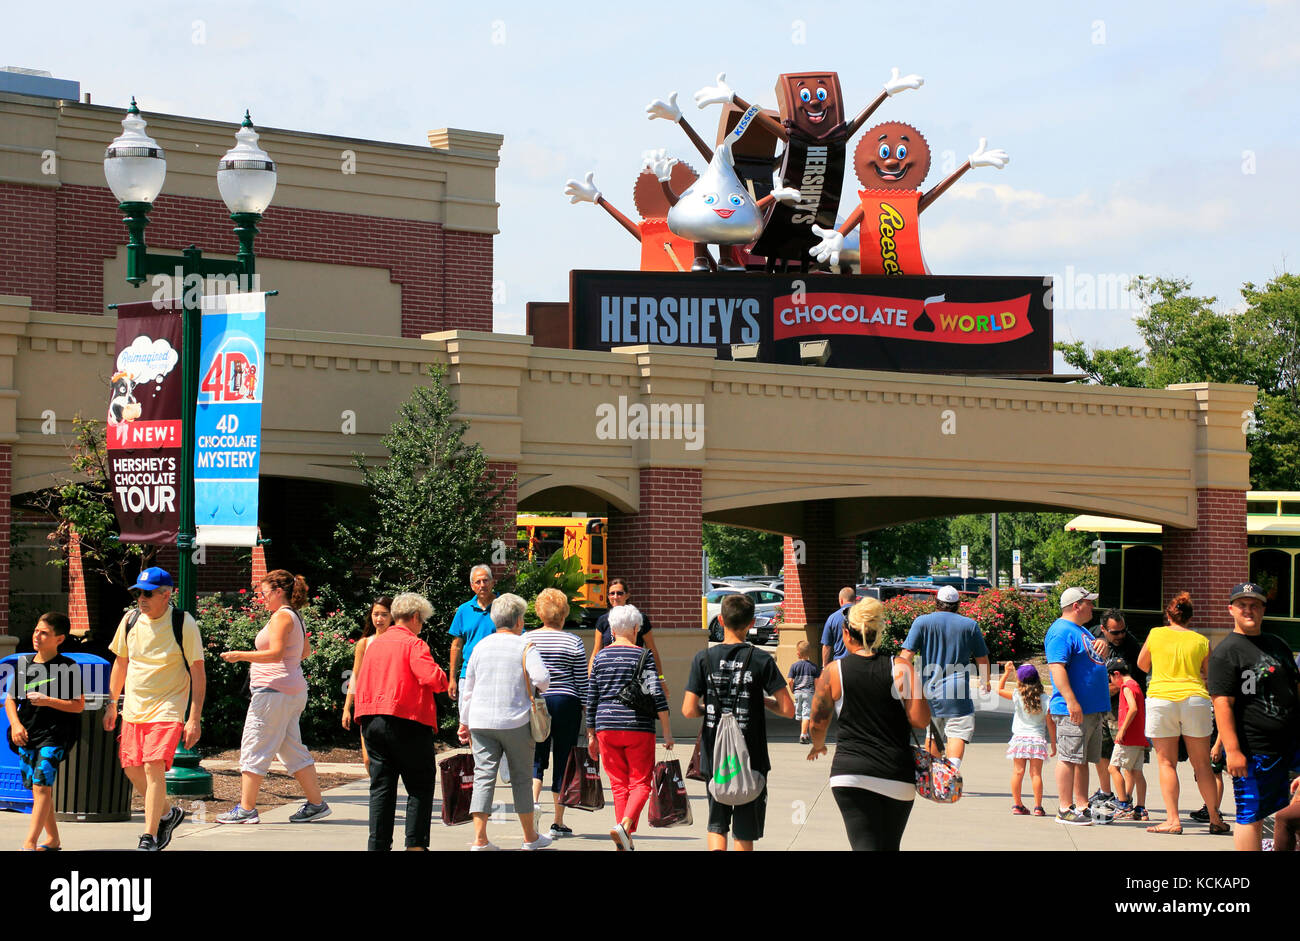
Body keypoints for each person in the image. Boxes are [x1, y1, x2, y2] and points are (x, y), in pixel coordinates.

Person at [807, 597, 928, 851]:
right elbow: (920, 719)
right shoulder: (901, 668)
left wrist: (818, 745)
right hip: (896, 773)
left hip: (850, 773)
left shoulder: (832, 671)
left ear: (846, 633)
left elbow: (818, 721)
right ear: (877, 633)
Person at [104, 567, 205, 851]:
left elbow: (198, 672)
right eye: (138, 593)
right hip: (135, 707)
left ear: (166, 594)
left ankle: (149, 835)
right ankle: (168, 813)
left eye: (147, 593)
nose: (141, 599)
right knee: (132, 769)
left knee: (153, 766)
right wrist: (112, 704)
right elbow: (120, 663)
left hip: (168, 706)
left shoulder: (183, 623)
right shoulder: (130, 620)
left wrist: (194, 717)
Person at [216, 569, 330, 824]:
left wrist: (240, 655)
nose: (262, 598)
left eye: (265, 592)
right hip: (290, 692)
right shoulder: (295, 616)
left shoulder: (281, 617)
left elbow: (277, 653)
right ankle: (316, 804)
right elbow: (304, 652)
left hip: (273, 693)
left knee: (254, 745)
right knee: (291, 750)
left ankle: (246, 809)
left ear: (279, 592)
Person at [683, 594, 792, 851]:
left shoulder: (703, 659)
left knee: (716, 825)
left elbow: (688, 710)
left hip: (715, 755)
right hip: (751, 756)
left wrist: (708, 710)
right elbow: (788, 709)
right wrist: (763, 701)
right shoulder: (762, 659)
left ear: (720, 620)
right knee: (744, 831)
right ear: (752, 622)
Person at [1207, 582, 1300, 852]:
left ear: (1263, 610)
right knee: (1251, 814)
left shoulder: (1278, 644)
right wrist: (1232, 750)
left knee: (1287, 808)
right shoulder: (1226, 652)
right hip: (1254, 749)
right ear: (1231, 610)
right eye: (1243, 605)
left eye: (1255, 605)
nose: (1249, 610)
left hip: (1289, 745)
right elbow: (1222, 703)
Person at [353, 592, 449, 851]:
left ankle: (378, 845)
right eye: (422, 621)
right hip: (407, 720)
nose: (421, 626)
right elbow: (433, 678)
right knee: (420, 784)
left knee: (381, 787)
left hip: (372, 719)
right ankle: (415, 845)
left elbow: (362, 681)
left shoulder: (375, 644)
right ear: (415, 617)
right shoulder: (414, 644)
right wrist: (444, 675)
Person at [457, 593, 553, 851]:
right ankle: (530, 837)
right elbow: (543, 678)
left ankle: (480, 839)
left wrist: (463, 721)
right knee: (522, 779)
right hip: (516, 721)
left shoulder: (480, 647)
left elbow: (469, 688)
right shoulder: (525, 646)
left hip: (480, 720)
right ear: (519, 621)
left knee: (483, 777)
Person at [1136, 592, 1228, 835]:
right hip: (1195, 699)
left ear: (1168, 615)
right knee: (1202, 766)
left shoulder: (1156, 633)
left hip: (1162, 698)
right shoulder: (1200, 640)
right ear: (1190, 618)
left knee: (1167, 763)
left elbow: (1142, 665)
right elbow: (1208, 673)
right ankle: (1214, 818)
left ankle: (1172, 820)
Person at [589, 604, 673, 850]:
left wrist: (591, 733)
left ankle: (624, 840)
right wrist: (667, 730)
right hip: (638, 727)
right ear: (636, 628)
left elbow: (591, 696)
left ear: (612, 630)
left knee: (618, 784)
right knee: (640, 783)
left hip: (605, 726)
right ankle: (625, 827)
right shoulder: (643, 656)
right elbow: (655, 693)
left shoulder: (600, 657)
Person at [4, 613, 84, 851]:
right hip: (28, 733)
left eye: (44, 632)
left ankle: (29, 843)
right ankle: (53, 839)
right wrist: (17, 725)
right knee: (37, 787)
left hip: (55, 735)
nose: (37, 636)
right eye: (36, 630)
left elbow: (78, 705)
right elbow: (10, 700)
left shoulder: (68, 667)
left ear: (59, 639)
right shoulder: (24, 664)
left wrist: (48, 700)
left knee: (41, 786)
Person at [897, 585, 989, 769]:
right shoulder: (970, 625)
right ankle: (952, 771)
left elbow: (905, 656)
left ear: (936, 602)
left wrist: (898, 683)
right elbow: (982, 658)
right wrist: (985, 681)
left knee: (933, 734)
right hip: (958, 691)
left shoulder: (922, 622)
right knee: (958, 732)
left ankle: (934, 775)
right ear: (957, 604)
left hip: (929, 690)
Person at [1044, 587, 1109, 826]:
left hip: (1090, 709)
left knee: (1081, 759)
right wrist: (1071, 701)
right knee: (1069, 757)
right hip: (1073, 709)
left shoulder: (1080, 630)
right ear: (1076, 606)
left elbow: (1092, 659)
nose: (1092, 607)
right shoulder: (1060, 631)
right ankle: (1064, 808)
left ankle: (1081, 805)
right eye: (1088, 603)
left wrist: (1102, 643)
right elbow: (1056, 668)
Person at [527, 587, 588, 838]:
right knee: (564, 759)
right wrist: (587, 706)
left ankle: (531, 809)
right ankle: (558, 821)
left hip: (538, 701)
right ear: (563, 614)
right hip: (567, 702)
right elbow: (581, 680)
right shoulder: (573, 641)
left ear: (540, 612)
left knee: (537, 757)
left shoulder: (527, 638)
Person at [590, 577, 669, 699]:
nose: (615, 596)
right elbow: (596, 653)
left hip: (634, 677)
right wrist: (590, 680)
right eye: (612, 593)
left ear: (627, 596)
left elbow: (652, 650)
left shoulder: (638, 618)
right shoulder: (602, 621)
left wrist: (661, 679)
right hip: (609, 676)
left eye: (620, 593)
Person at [342, 596, 393, 772]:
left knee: (388, 758)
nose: (379, 619)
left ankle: (384, 796)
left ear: (392, 617)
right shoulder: (364, 643)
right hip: (367, 705)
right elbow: (354, 675)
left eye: (384, 615)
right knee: (368, 759)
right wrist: (347, 707)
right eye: (376, 614)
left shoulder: (398, 642)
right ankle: (377, 795)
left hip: (390, 705)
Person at [997, 661, 1054, 816]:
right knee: (1036, 774)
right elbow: (1050, 724)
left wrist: (1007, 672)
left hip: (1020, 739)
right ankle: (1038, 807)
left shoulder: (1017, 695)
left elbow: (1000, 690)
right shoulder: (1045, 699)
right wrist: (1054, 744)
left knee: (1018, 772)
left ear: (1020, 680)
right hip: (1037, 740)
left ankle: (1017, 804)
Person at [1107, 657, 1149, 821]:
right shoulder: (1136, 685)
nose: (1111, 681)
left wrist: (1122, 729)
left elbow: (1133, 708)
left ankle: (1123, 803)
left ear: (1116, 674)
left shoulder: (1126, 686)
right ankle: (1141, 808)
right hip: (1139, 737)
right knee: (1136, 772)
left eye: (1111, 678)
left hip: (1128, 737)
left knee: (1113, 768)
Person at [448, 564, 497, 702]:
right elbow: (456, 646)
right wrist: (452, 678)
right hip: (469, 675)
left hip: (497, 674)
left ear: (492, 582)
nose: (482, 585)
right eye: (478, 582)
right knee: (466, 721)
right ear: (472, 586)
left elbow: (518, 636)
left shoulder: (504, 606)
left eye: (486, 580)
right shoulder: (464, 610)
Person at [788, 640, 821, 744]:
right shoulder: (814, 667)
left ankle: (804, 733)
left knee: (801, 713)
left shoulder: (794, 666)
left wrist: (793, 689)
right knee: (806, 713)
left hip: (798, 693)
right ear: (809, 653)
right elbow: (817, 681)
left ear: (798, 653)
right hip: (809, 693)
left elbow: (790, 680)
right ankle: (803, 734)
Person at [820, 587, 856, 666]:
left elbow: (826, 645)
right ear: (855, 600)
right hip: (859, 663)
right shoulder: (863, 616)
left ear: (841, 600)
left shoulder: (833, 618)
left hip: (840, 664)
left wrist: (824, 667)